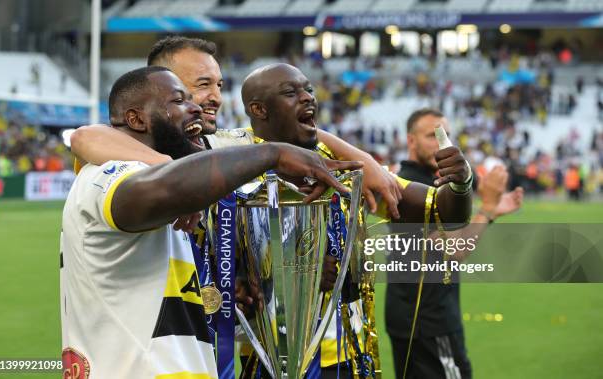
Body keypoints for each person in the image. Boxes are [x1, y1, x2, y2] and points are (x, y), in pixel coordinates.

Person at [60, 66, 362, 379]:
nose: (197, 107)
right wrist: (274, 154)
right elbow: (158, 188)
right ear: (137, 119)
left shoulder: (177, 190)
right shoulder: (107, 177)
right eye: (179, 100)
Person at [237, 64, 473, 378]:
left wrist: (460, 182)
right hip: (268, 357)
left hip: (345, 355)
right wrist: (293, 275)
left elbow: (444, 213)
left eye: (309, 89)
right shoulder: (231, 167)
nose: (308, 98)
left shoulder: (342, 164)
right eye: (291, 93)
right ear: (258, 109)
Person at [72, 36, 402, 217]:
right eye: (200, 86)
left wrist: (366, 161)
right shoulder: (119, 154)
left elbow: (280, 143)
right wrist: (170, 169)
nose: (215, 97)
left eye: (219, 84)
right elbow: (84, 136)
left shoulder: (227, 146)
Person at [386, 108, 523, 379]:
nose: (442, 142)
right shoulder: (413, 185)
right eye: (432, 135)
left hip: (411, 315)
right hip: (429, 320)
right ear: (411, 141)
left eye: (446, 134)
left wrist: (490, 212)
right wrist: (487, 209)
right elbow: (454, 250)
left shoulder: (417, 180)